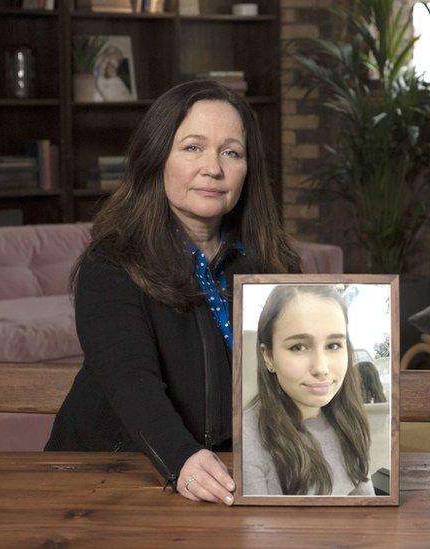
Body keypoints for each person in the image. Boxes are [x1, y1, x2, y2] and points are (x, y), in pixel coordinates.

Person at [46, 80, 300, 506]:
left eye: (231, 152)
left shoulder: (272, 266)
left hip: (227, 476)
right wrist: (182, 458)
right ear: (157, 156)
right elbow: (131, 381)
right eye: (192, 147)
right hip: (112, 477)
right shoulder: (112, 262)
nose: (213, 168)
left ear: (248, 169)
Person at [242, 285, 373, 496]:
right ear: (268, 357)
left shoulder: (350, 420)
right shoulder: (248, 437)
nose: (321, 368)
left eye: (333, 346)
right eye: (299, 347)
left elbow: (368, 511)